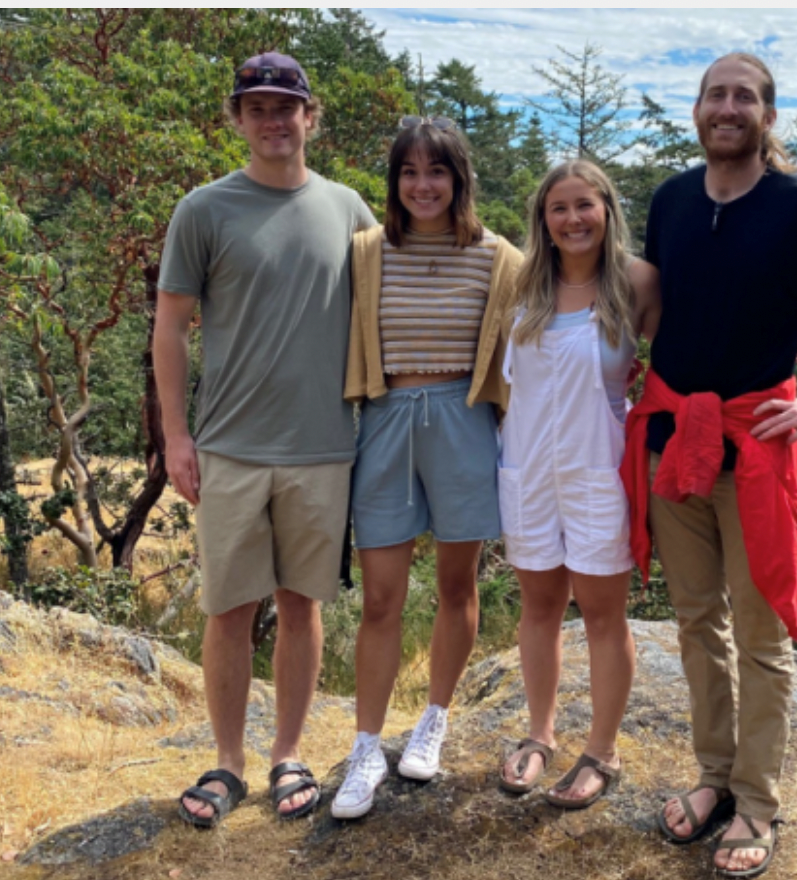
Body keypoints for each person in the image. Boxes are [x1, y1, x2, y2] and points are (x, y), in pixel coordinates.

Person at [625, 53, 797, 877]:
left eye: (744, 97)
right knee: (694, 622)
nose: (728, 107)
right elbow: (660, 306)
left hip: (756, 448)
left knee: (761, 634)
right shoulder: (673, 199)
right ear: (697, 110)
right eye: (716, 94)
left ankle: (756, 803)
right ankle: (713, 779)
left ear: (767, 117)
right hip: (676, 442)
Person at [156, 52, 377, 827]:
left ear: (310, 117)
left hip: (323, 447)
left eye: (288, 106)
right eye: (258, 107)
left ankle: (288, 753)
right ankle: (226, 762)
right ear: (238, 119)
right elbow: (172, 329)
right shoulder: (205, 210)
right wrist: (176, 435)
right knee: (228, 610)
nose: (274, 119)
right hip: (229, 446)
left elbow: (396, 305)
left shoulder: (351, 210)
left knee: (301, 605)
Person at [331, 115, 524, 821]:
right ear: (394, 182)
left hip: (464, 422)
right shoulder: (367, 251)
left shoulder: (500, 257)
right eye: (408, 172)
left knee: (455, 584)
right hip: (385, 420)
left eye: (436, 170)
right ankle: (364, 746)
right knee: (380, 597)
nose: (422, 185)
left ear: (459, 178)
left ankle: (434, 720)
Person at [494, 161, 659, 809]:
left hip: (600, 470)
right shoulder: (522, 285)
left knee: (601, 614)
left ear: (607, 209)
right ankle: (539, 735)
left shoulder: (638, 281)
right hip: (528, 469)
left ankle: (602, 749)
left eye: (584, 205)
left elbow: (680, 362)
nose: (572, 219)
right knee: (538, 607)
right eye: (558, 208)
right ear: (543, 219)